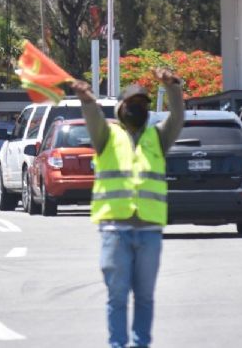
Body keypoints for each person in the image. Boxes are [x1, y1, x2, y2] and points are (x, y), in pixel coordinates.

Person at [72, 68, 184, 348]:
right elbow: (93, 116)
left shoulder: (158, 137)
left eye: (143, 104)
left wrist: (172, 87)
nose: (138, 108)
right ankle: (118, 345)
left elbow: (178, 117)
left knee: (145, 297)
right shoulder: (106, 137)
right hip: (115, 230)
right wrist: (86, 99)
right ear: (121, 107)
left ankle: (141, 344)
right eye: (133, 103)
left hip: (149, 231)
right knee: (117, 297)